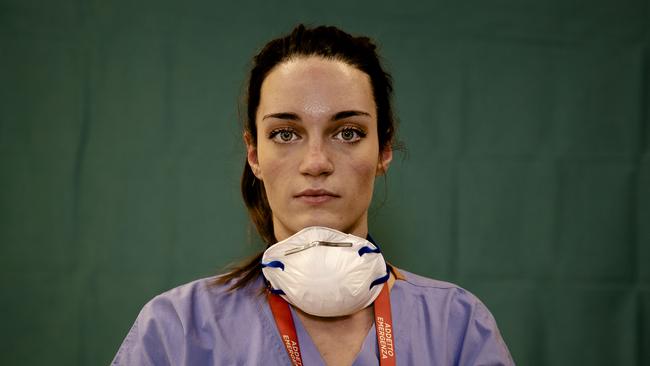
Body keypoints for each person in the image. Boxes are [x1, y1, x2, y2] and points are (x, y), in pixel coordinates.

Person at [112, 24, 515, 366]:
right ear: (254, 154)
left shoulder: (456, 327)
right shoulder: (177, 331)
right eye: (285, 134)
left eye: (348, 133)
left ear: (384, 149)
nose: (316, 162)